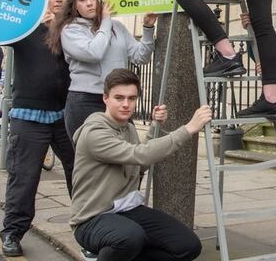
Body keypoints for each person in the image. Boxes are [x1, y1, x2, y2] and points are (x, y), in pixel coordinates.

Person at [70, 68, 209, 261]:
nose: (126, 104)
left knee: (188, 246)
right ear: (105, 99)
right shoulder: (94, 133)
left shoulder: (127, 128)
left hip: (128, 211)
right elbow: (139, 155)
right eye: (119, 98)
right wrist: (189, 128)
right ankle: (97, 253)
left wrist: (154, 127)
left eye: (132, 98)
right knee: (129, 237)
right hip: (93, 219)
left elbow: (138, 165)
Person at [0, 0, 79, 258]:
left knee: (80, 172)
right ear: (43, 0)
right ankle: (12, 232)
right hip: (28, 117)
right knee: (24, 178)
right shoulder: (25, 27)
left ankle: (88, 227)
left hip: (64, 116)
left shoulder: (75, 31)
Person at [47, 0, 158, 141]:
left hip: (117, 99)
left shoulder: (116, 27)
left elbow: (140, 56)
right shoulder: (70, 30)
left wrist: (148, 28)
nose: (90, 3)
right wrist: (106, 21)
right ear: (74, 5)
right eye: (83, 0)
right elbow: (94, 53)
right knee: (93, 159)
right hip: (85, 100)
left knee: (130, 156)